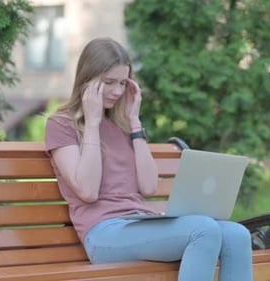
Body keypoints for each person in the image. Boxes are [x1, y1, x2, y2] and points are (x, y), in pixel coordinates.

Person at [44, 37, 253, 281]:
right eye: (108, 82)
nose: (117, 91)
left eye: (122, 83)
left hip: (139, 223)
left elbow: (149, 186)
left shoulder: (123, 126)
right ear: (87, 80)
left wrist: (134, 123)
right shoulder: (61, 124)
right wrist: (92, 123)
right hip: (103, 234)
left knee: (237, 234)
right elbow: (88, 191)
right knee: (203, 230)